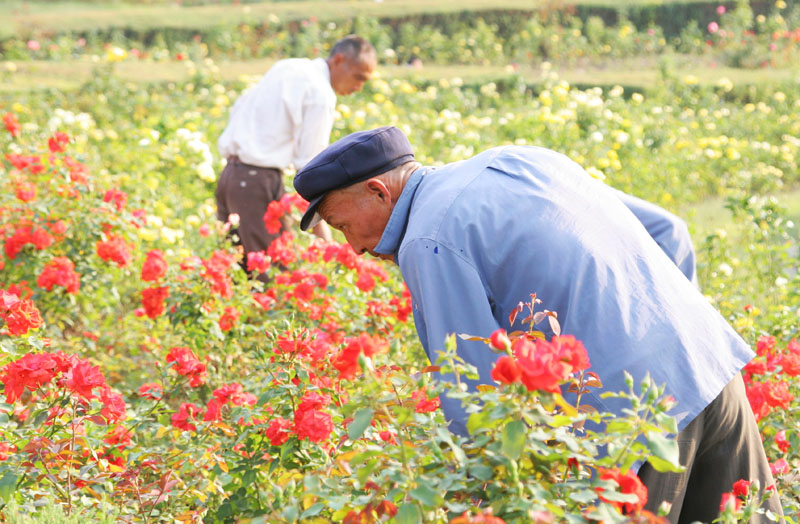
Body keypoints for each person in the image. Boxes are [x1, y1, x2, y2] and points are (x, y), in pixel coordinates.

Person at [293, 127, 783, 522]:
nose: (352, 248)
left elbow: (474, 396)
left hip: (637, 426)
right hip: (712, 369)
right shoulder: (519, 158)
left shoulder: (428, 238)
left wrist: (488, 499)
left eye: (341, 226)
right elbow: (668, 230)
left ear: (378, 191)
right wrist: (668, 338)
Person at [215, 35, 377, 279]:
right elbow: (311, 168)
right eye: (358, 77)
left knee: (237, 274)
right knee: (270, 278)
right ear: (339, 60)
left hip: (230, 177)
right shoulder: (321, 94)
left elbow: (242, 107)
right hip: (256, 182)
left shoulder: (289, 66)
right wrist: (324, 231)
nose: (359, 87)